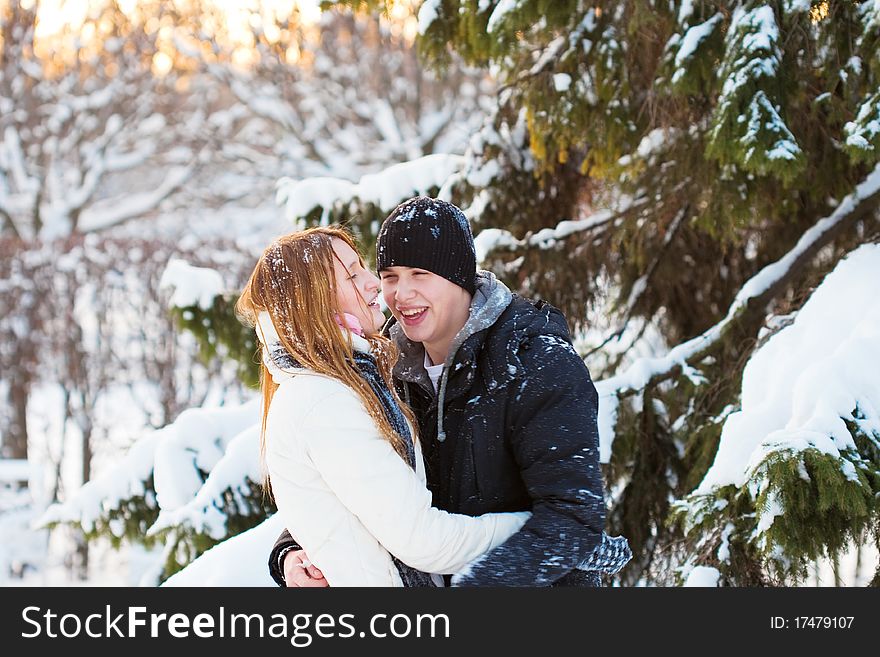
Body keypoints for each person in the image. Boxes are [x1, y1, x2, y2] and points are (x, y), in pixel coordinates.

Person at [270, 197, 631, 587]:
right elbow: (363, 486)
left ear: (458, 275)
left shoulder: (537, 364)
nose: (399, 294)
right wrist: (292, 553)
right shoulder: (386, 370)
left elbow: (573, 521)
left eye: (419, 274)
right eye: (389, 276)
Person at [236, 226, 530, 586]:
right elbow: (423, 540)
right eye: (352, 274)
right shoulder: (325, 400)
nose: (373, 283)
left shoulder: (362, 373)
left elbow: (352, 507)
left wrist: (290, 553)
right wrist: (535, 527)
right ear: (311, 299)